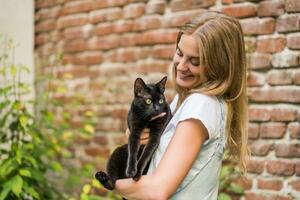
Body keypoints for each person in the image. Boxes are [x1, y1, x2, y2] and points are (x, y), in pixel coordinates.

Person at [115, 11, 250, 200]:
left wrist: (112, 181)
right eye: (179, 53)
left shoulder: (201, 104)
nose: (181, 66)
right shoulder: (184, 100)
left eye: (195, 61)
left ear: (219, 66)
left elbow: (157, 190)